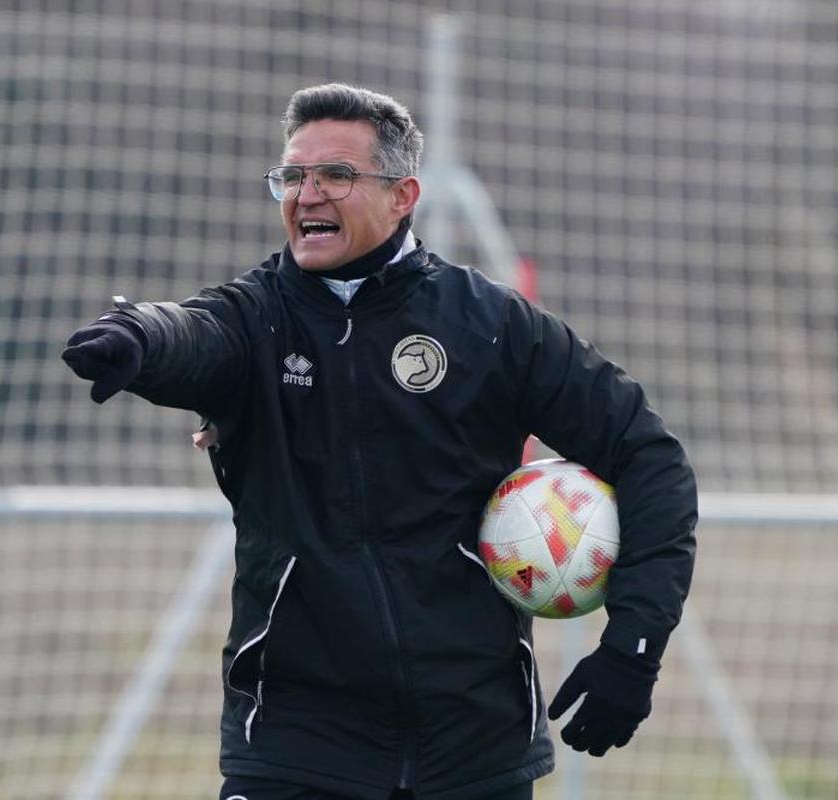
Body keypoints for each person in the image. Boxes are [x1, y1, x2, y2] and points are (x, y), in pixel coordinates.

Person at [62, 83, 697, 800]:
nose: (307, 195)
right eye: (292, 176)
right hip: (295, 746)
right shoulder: (257, 319)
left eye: (335, 175)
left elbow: (649, 456)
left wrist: (634, 647)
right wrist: (140, 338)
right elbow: (194, 337)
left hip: (472, 746)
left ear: (403, 196)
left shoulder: (491, 325)